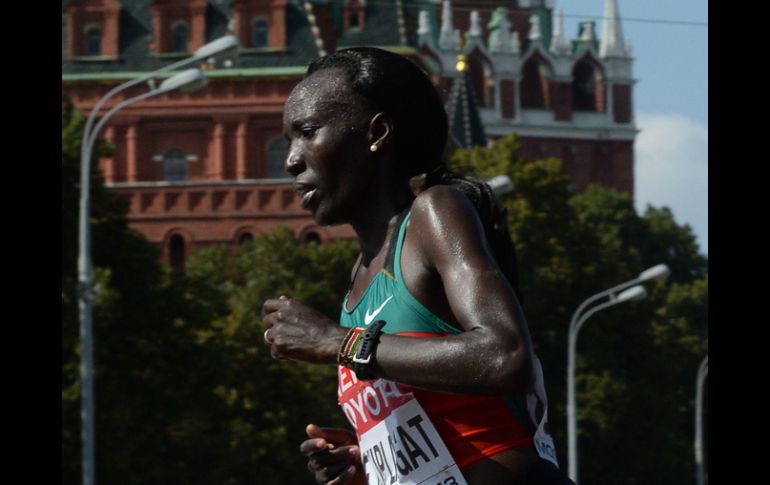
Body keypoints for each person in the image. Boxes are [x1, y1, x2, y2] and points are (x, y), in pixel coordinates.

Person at [261, 47, 573, 485]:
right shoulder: (357, 284)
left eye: (308, 132)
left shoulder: (434, 214)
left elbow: (506, 356)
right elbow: (443, 424)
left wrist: (339, 342)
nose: (291, 160)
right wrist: (367, 459)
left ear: (378, 132)